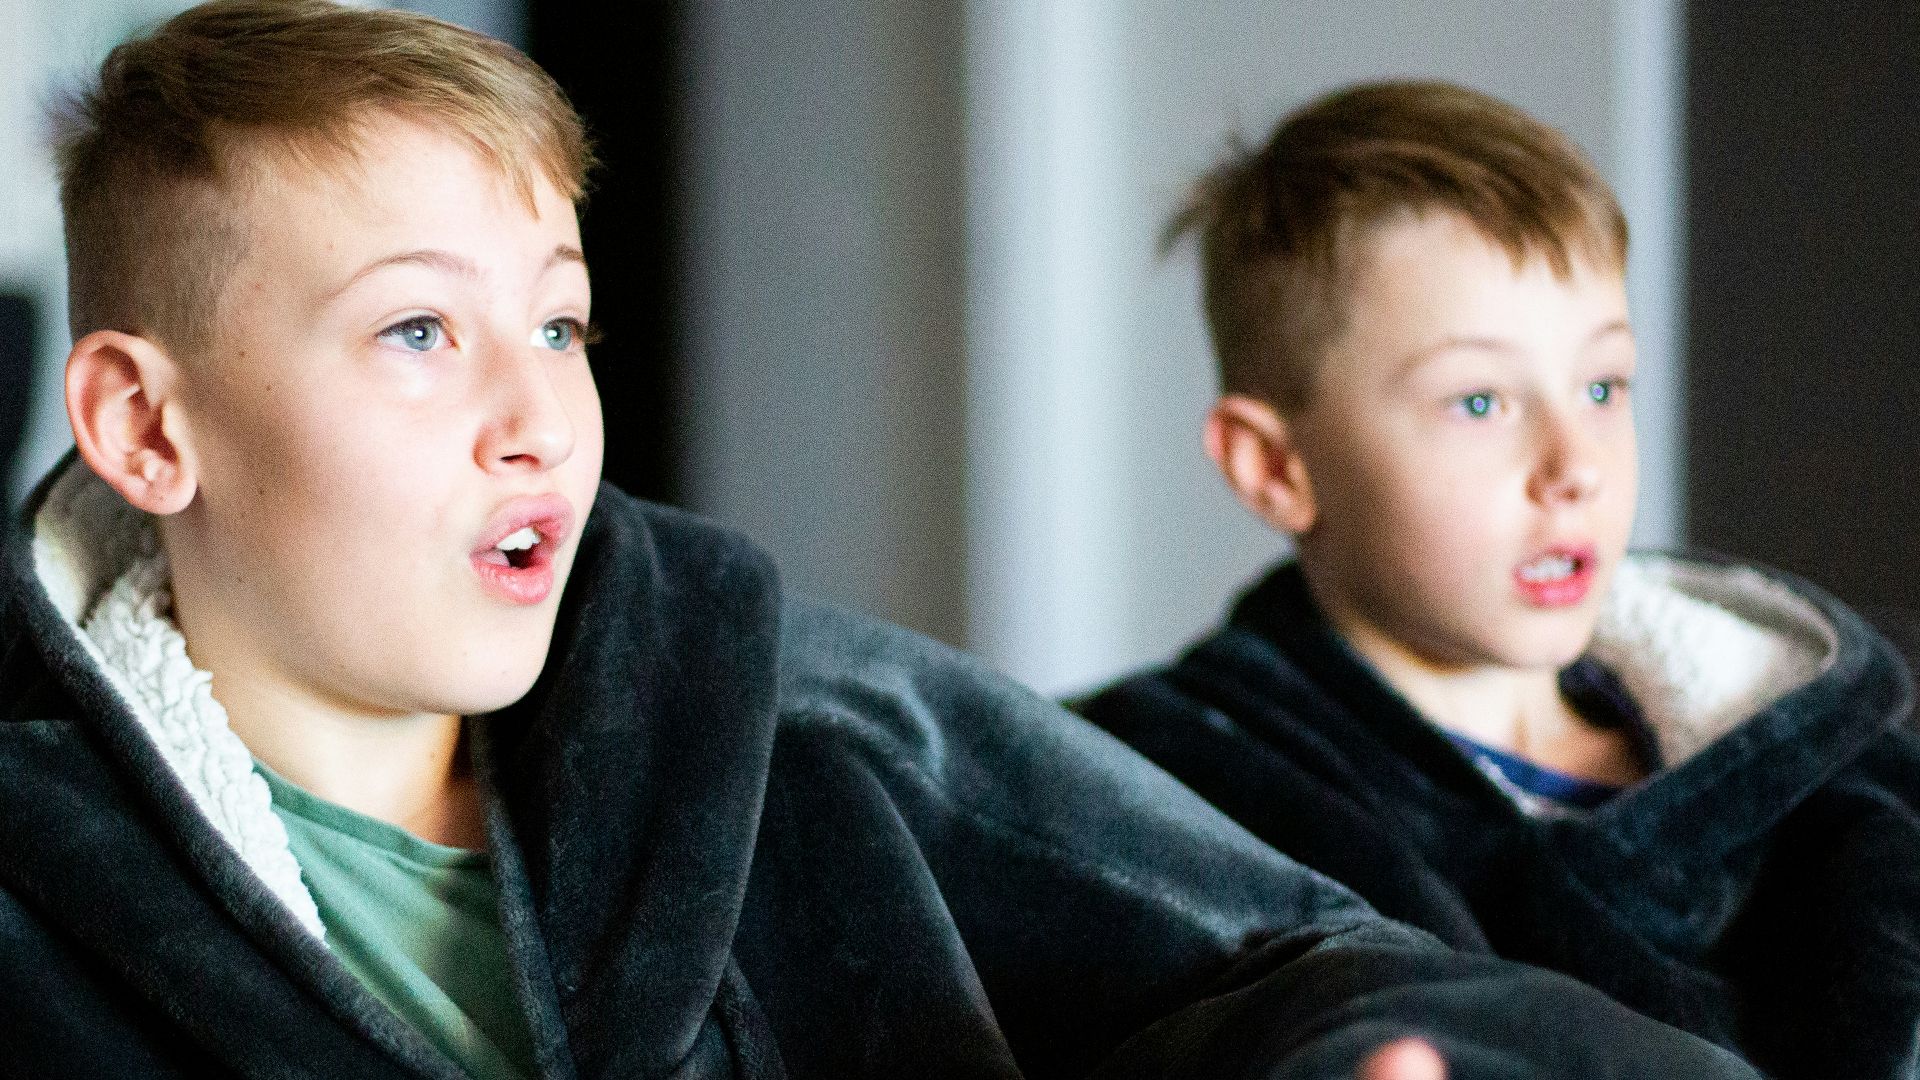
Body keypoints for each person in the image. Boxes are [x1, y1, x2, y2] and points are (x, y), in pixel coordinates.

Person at [0, 7, 1763, 1076]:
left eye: (558, 327)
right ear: (149, 428)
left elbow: (1285, 961)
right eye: (415, 336)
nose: (538, 418)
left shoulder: (803, 727)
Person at [1075, 79, 1920, 1080]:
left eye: (1603, 385)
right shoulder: (1167, 795)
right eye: (1480, 402)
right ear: (1277, 468)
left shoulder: (1822, 767)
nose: (1577, 466)